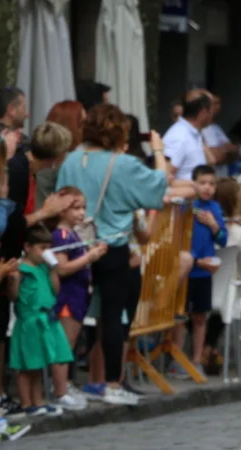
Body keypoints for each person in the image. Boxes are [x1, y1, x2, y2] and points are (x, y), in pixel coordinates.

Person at [54, 104, 169, 406]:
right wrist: (158, 151)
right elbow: (157, 188)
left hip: (75, 243)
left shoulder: (71, 159)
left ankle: (64, 384)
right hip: (112, 245)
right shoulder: (123, 163)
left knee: (72, 316)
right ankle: (112, 383)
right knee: (113, 316)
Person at [8, 225, 77, 416]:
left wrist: (53, 270)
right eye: (41, 248)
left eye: (48, 248)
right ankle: (26, 403)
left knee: (38, 365)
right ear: (28, 247)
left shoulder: (44, 268)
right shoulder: (21, 269)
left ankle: (38, 402)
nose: (45, 252)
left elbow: (55, 290)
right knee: (26, 366)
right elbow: (13, 296)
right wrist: (14, 280)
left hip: (47, 318)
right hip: (29, 321)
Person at [173, 165, 227, 377]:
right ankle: (176, 359)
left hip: (204, 273)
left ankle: (196, 359)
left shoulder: (214, 208)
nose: (207, 188)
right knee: (179, 316)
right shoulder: (184, 206)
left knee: (200, 317)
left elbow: (223, 239)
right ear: (193, 183)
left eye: (211, 184)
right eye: (202, 183)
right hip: (185, 269)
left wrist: (213, 224)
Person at [52, 187, 107, 393]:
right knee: (64, 345)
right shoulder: (61, 235)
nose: (82, 213)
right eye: (76, 208)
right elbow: (62, 268)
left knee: (71, 343)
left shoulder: (73, 233)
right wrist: (89, 257)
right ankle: (61, 388)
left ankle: (65, 384)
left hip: (79, 294)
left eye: (83, 208)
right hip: (68, 296)